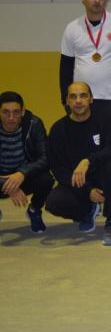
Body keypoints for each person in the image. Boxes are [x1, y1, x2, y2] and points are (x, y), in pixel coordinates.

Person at [45, 82, 111, 245]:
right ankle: (87, 211)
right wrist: (87, 191)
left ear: (91, 99)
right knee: (54, 202)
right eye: (73, 97)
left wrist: (88, 160)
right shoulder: (58, 129)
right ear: (67, 101)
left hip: (104, 176)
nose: (78, 101)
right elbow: (58, 168)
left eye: (83, 96)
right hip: (79, 182)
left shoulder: (105, 120)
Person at [0, 91, 53, 233]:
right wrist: (6, 183)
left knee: (46, 179)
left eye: (16, 112)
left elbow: (46, 158)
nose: (11, 118)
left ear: (22, 112)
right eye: (5, 112)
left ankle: (34, 210)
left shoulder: (33, 124)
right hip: (1, 177)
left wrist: (22, 173)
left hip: (24, 176)